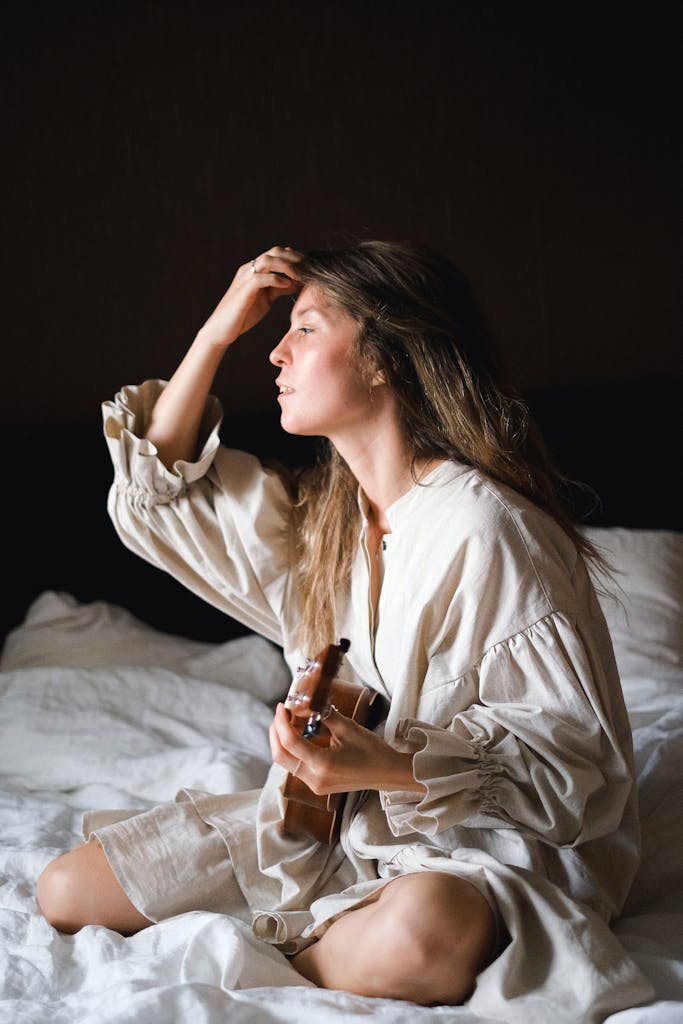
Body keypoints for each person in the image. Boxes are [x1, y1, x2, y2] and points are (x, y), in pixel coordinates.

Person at [37, 241, 646, 1013]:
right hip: (337, 832)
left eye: (306, 330)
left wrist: (387, 767)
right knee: (65, 890)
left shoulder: (486, 530)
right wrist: (215, 334)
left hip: (481, 851)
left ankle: (307, 945)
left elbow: (577, 774)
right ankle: (323, 936)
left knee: (419, 937)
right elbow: (156, 500)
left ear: (386, 359)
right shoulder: (324, 519)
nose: (277, 354)